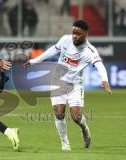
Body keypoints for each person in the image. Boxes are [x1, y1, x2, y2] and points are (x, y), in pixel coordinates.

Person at [24, 20, 112, 151]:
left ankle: (84, 128)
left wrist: (104, 79)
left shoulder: (90, 51)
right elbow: (52, 50)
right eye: (73, 33)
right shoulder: (65, 40)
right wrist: (34, 61)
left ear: (86, 34)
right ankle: (65, 143)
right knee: (59, 113)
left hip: (75, 85)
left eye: (78, 34)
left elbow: (99, 65)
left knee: (76, 117)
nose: (75, 36)